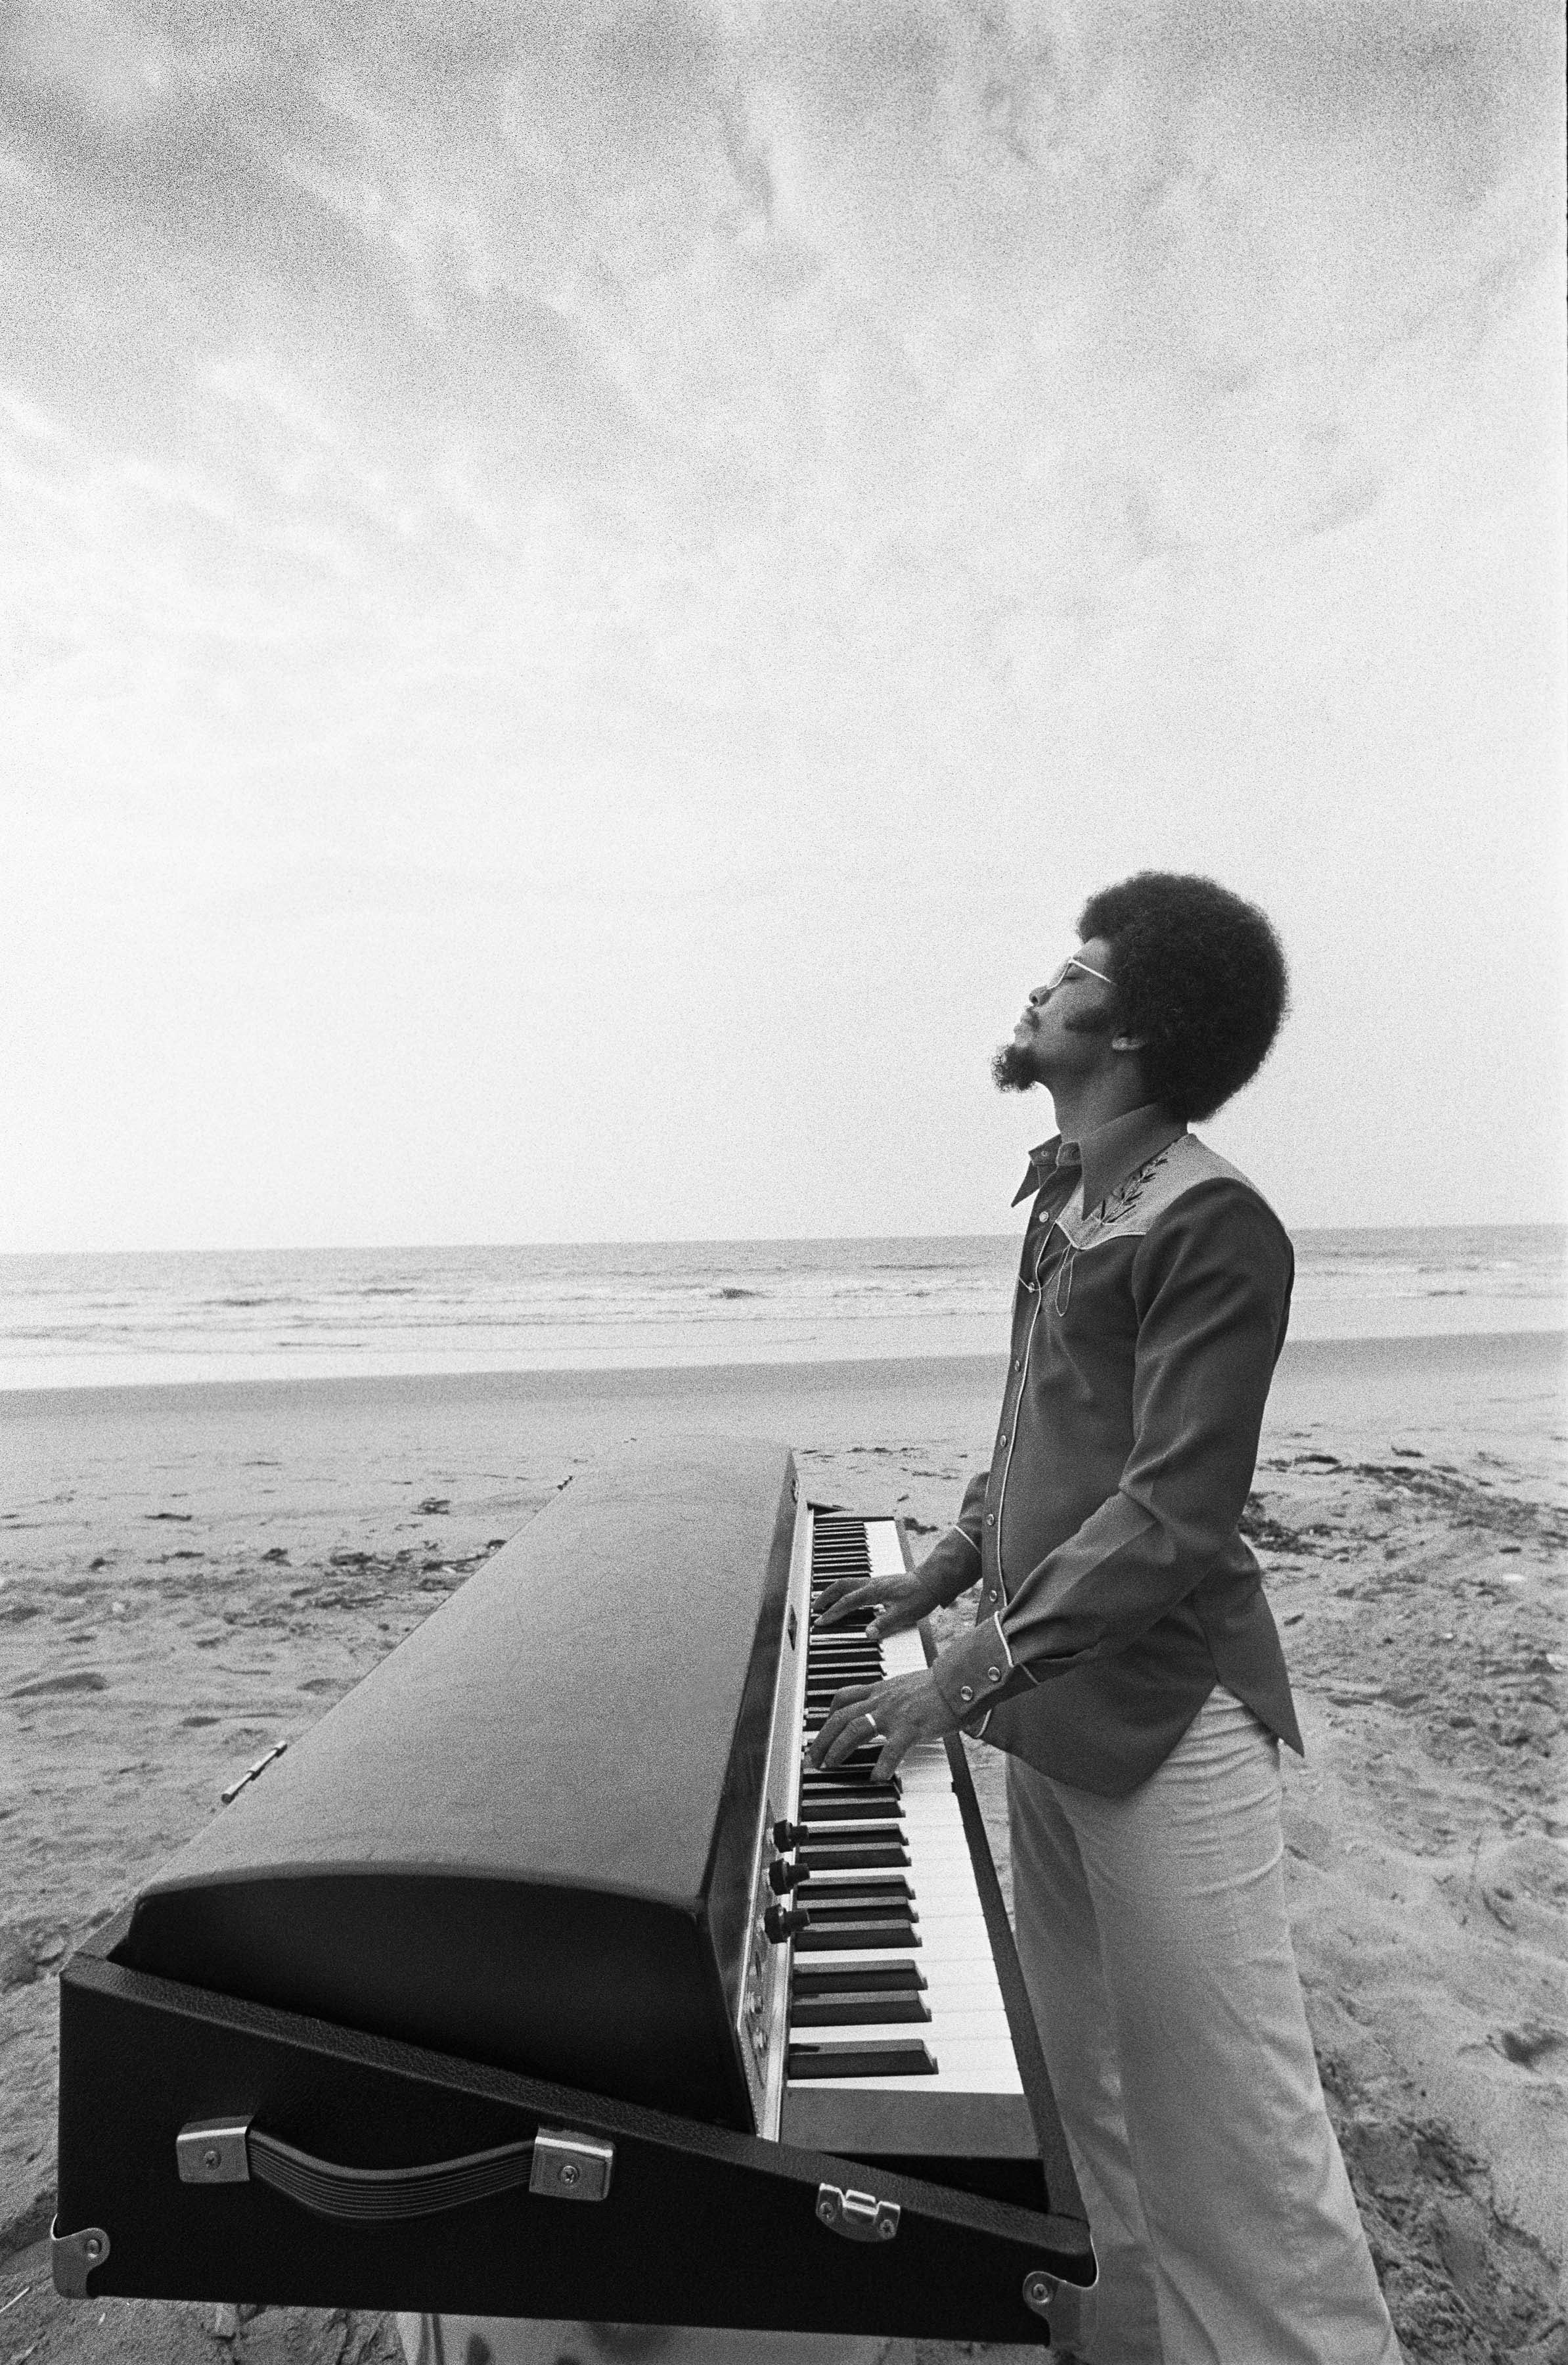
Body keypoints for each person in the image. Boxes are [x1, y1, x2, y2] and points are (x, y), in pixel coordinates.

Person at [811, 872, 1402, 2365]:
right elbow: (1040, 1433)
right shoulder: (1065, 1188)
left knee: (1237, 2143)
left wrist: (952, 1680)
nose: (1041, 988)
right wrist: (947, 1567)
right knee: (1089, 2102)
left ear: (1131, 1023)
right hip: (1043, 1707)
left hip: (1170, 1727)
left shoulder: (1220, 1225)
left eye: (1071, 970)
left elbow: (1171, 1512)